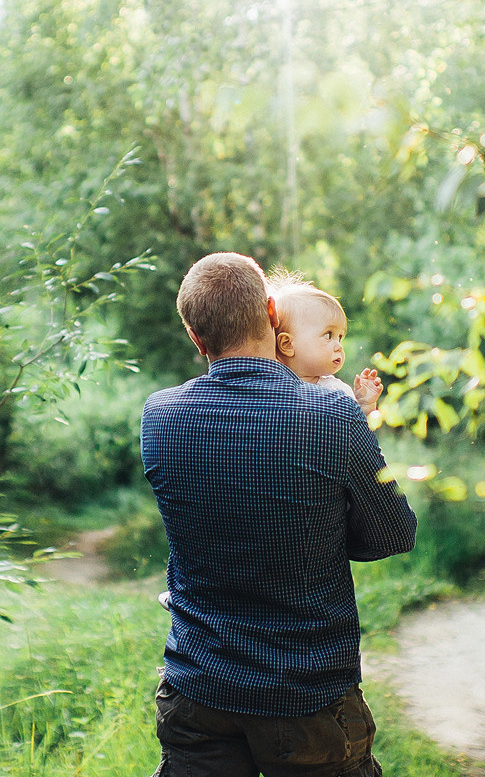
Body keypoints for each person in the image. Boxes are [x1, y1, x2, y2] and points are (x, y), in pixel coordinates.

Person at [140, 252, 416, 777]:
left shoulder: (161, 416)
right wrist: (325, 532)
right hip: (306, 693)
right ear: (271, 313)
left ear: (197, 339)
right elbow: (394, 534)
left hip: (200, 690)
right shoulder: (330, 412)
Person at [268, 272, 382, 416]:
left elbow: (357, 434)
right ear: (287, 344)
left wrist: (365, 406)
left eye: (340, 337)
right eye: (328, 335)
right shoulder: (271, 387)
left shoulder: (338, 392)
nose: (339, 346)